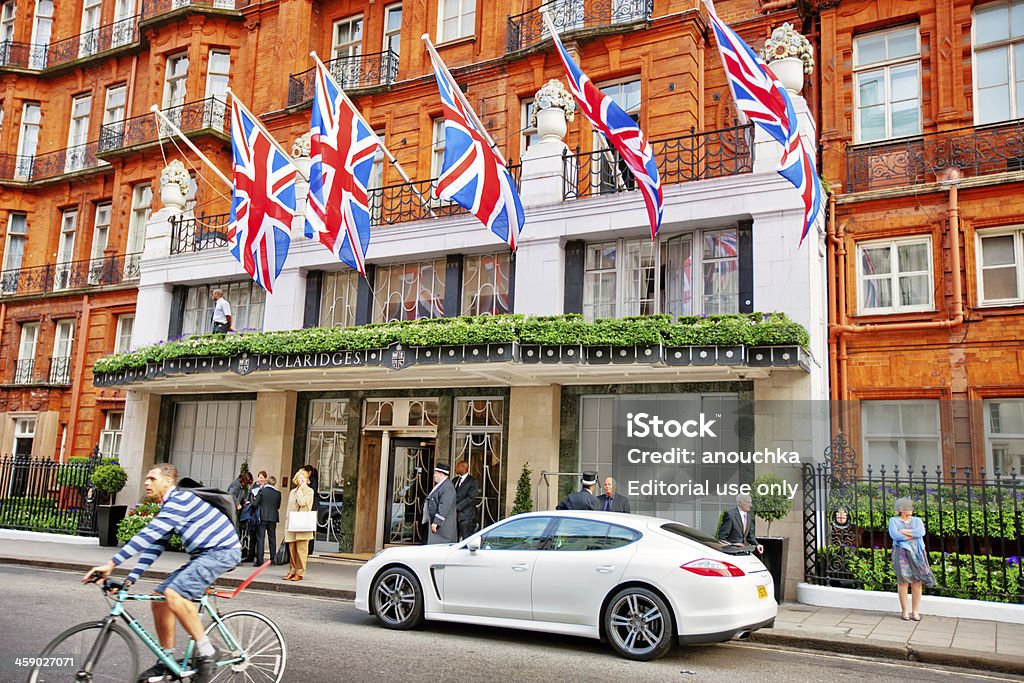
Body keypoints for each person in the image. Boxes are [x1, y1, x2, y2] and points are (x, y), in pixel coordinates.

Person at [82, 463, 240, 683]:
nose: (147, 482)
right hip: (203, 556)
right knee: (159, 598)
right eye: (146, 478)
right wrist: (130, 580)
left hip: (221, 552)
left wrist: (111, 564)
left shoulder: (180, 500)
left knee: (175, 594)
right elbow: (155, 545)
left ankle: (207, 652)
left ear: (168, 482)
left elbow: (147, 534)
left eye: (152, 479)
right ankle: (167, 660)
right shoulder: (168, 507)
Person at [890, 497, 935, 621]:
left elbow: (921, 532)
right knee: (903, 581)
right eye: (908, 507)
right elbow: (894, 535)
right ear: (900, 509)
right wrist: (912, 534)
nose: (911, 509)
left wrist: (904, 531)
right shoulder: (893, 520)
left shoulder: (917, 520)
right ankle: (905, 611)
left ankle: (915, 611)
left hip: (917, 552)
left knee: (917, 581)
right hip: (901, 552)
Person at [284, 469, 314, 581]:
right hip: (292, 523)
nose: (301, 480)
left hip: (302, 524)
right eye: (299, 478)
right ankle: (292, 570)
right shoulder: (292, 491)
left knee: (301, 550)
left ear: (307, 480)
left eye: (303, 478)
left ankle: (300, 572)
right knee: (292, 549)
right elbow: (289, 508)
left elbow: (302, 503)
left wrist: (301, 490)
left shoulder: (309, 491)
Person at [422, 462, 457, 544]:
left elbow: (444, 506)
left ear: (441, 474)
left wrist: (436, 522)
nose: (434, 475)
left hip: (443, 528)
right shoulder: (442, 485)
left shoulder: (447, 487)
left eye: (435, 473)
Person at [254, 475, 282, 566]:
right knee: (272, 538)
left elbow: (255, 504)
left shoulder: (262, 491)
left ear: (267, 482)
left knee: (260, 538)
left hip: (262, 517)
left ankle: (259, 560)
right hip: (273, 517)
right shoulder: (278, 493)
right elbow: (278, 506)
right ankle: (273, 559)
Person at [240, 471, 266, 565]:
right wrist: (250, 500)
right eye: (260, 477)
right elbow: (249, 498)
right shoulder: (253, 487)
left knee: (259, 537)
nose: (261, 479)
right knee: (252, 537)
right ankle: (250, 556)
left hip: (260, 515)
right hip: (252, 514)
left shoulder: (265, 488)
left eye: (263, 477)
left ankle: (259, 559)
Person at [452, 460, 479, 540]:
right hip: (454, 517)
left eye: (457, 466)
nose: (455, 468)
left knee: (467, 539)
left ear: (463, 467)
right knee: (454, 539)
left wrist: (457, 507)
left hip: (466, 516)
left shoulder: (472, 481)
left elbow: (470, 498)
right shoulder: (455, 480)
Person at [303, 464, 320, 556]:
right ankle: (309, 548)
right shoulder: (313, 480)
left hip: (311, 506)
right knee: (310, 528)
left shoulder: (312, 482)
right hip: (313, 506)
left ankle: (309, 548)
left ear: (309, 472)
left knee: (309, 528)